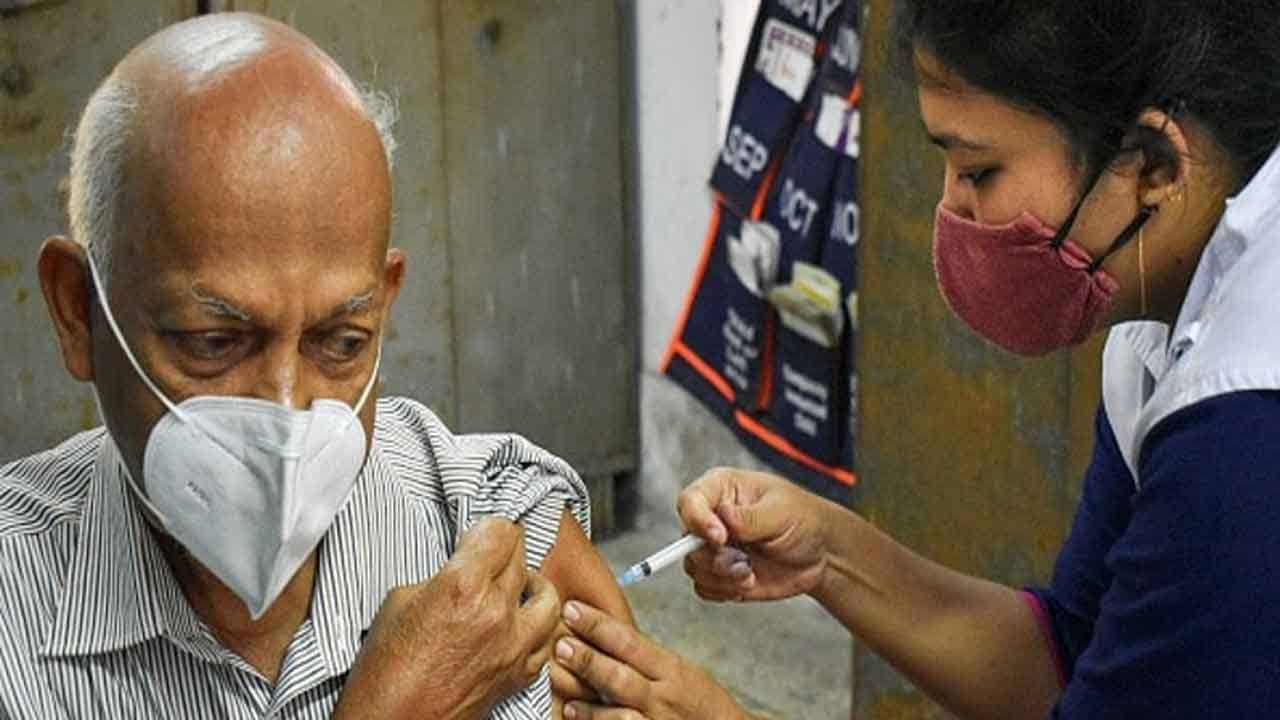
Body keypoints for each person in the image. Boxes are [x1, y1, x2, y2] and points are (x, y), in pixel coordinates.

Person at [551, 1, 1280, 718]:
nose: (952, 211)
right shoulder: (1158, 321)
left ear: (1152, 166)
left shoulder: (1245, 422)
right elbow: (1066, 658)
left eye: (979, 171)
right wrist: (829, 551)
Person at [1, 12, 631, 720]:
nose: (286, 412)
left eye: (340, 342)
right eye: (214, 342)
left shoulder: (487, 534)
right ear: (77, 310)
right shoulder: (13, 612)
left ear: (383, 302)